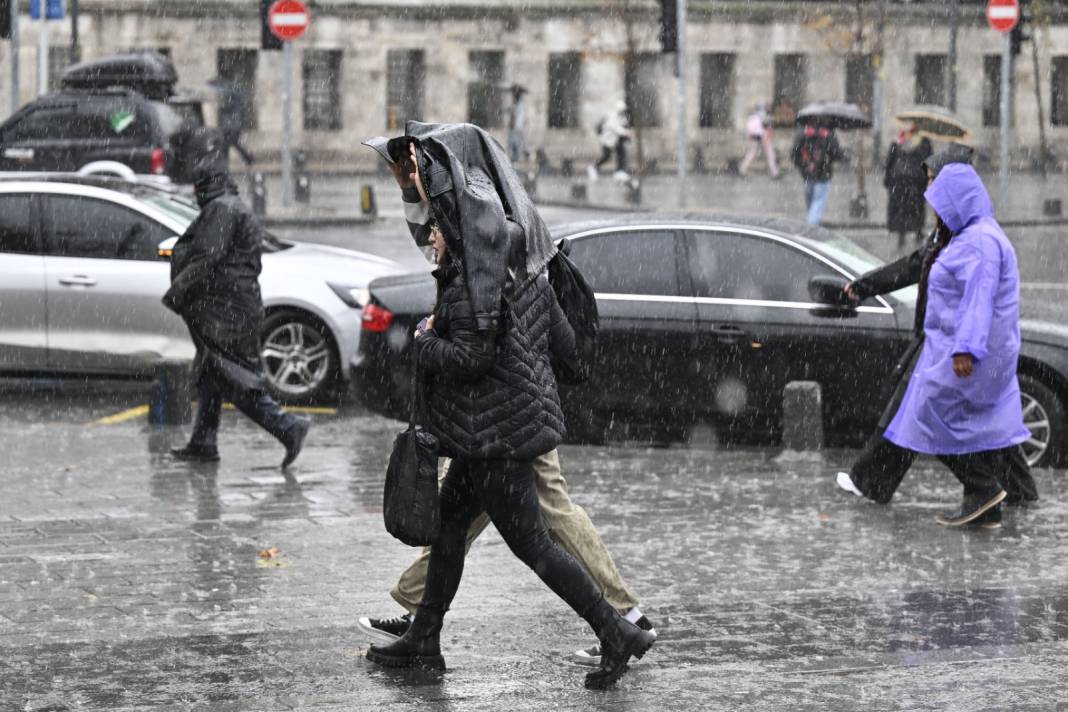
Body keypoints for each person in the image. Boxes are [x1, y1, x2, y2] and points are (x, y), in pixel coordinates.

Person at [364, 125, 655, 690]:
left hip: (494, 430)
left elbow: (471, 354)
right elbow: (567, 350)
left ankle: (617, 630)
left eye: (437, 233)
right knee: (451, 530)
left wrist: (427, 340)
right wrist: (529, 367)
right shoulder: (518, 252)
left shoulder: (476, 274)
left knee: (535, 543)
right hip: (494, 426)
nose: (431, 242)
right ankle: (425, 637)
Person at [834, 145, 1038, 521]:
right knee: (978, 425)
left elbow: (978, 300)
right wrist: (865, 286)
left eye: (936, 192)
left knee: (930, 415)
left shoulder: (977, 241)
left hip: (962, 351)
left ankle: (983, 491)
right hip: (947, 346)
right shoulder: (960, 235)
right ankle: (1011, 495)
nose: (932, 205)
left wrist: (966, 348)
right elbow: (916, 268)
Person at [163, 128, 310, 468]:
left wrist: (179, 289)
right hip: (232, 307)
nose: (195, 194)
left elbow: (208, 256)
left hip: (227, 312)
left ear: (206, 186)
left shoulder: (222, 210)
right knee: (214, 375)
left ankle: (288, 427)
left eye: (197, 187)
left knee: (235, 379)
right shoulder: (231, 206)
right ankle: (203, 442)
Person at [884, 122, 932, 249]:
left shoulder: (898, 141)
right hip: (916, 179)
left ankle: (902, 235)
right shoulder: (923, 142)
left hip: (899, 179)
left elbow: (890, 162)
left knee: (901, 208)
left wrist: (888, 180)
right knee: (917, 206)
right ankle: (918, 232)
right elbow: (928, 161)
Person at [791, 124, 844, 225]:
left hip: (807, 175)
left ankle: (812, 223)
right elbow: (836, 153)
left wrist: (805, 165)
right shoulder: (828, 133)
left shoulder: (803, 132)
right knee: (818, 203)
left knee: (811, 204)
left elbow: (794, 155)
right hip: (823, 175)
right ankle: (812, 227)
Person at [209, 76, 255, 166]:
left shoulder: (233, 101)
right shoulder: (234, 100)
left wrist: (221, 107)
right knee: (229, 144)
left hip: (231, 126)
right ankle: (247, 158)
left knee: (229, 144)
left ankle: (247, 158)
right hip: (231, 125)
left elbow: (227, 110)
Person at [587, 101, 634, 183]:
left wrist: (626, 133)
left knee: (621, 153)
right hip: (607, 141)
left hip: (614, 141)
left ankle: (619, 172)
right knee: (607, 156)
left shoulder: (622, 117)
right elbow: (616, 128)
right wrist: (626, 133)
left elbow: (624, 126)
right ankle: (594, 168)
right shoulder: (613, 117)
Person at [738, 105, 779, 178]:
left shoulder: (752, 117)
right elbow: (767, 127)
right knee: (770, 154)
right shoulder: (764, 116)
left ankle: (742, 169)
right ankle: (774, 172)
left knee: (752, 153)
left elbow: (748, 130)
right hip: (763, 137)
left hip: (755, 137)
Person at [507, 85, 529, 164]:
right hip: (515, 129)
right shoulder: (515, 105)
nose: (513, 96)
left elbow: (520, 118)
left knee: (518, 144)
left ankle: (521, 156)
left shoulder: (521, 105)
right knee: (513, 144)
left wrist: (517, 127)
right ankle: (515, 158)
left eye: (514, 94)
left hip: (518, 129)